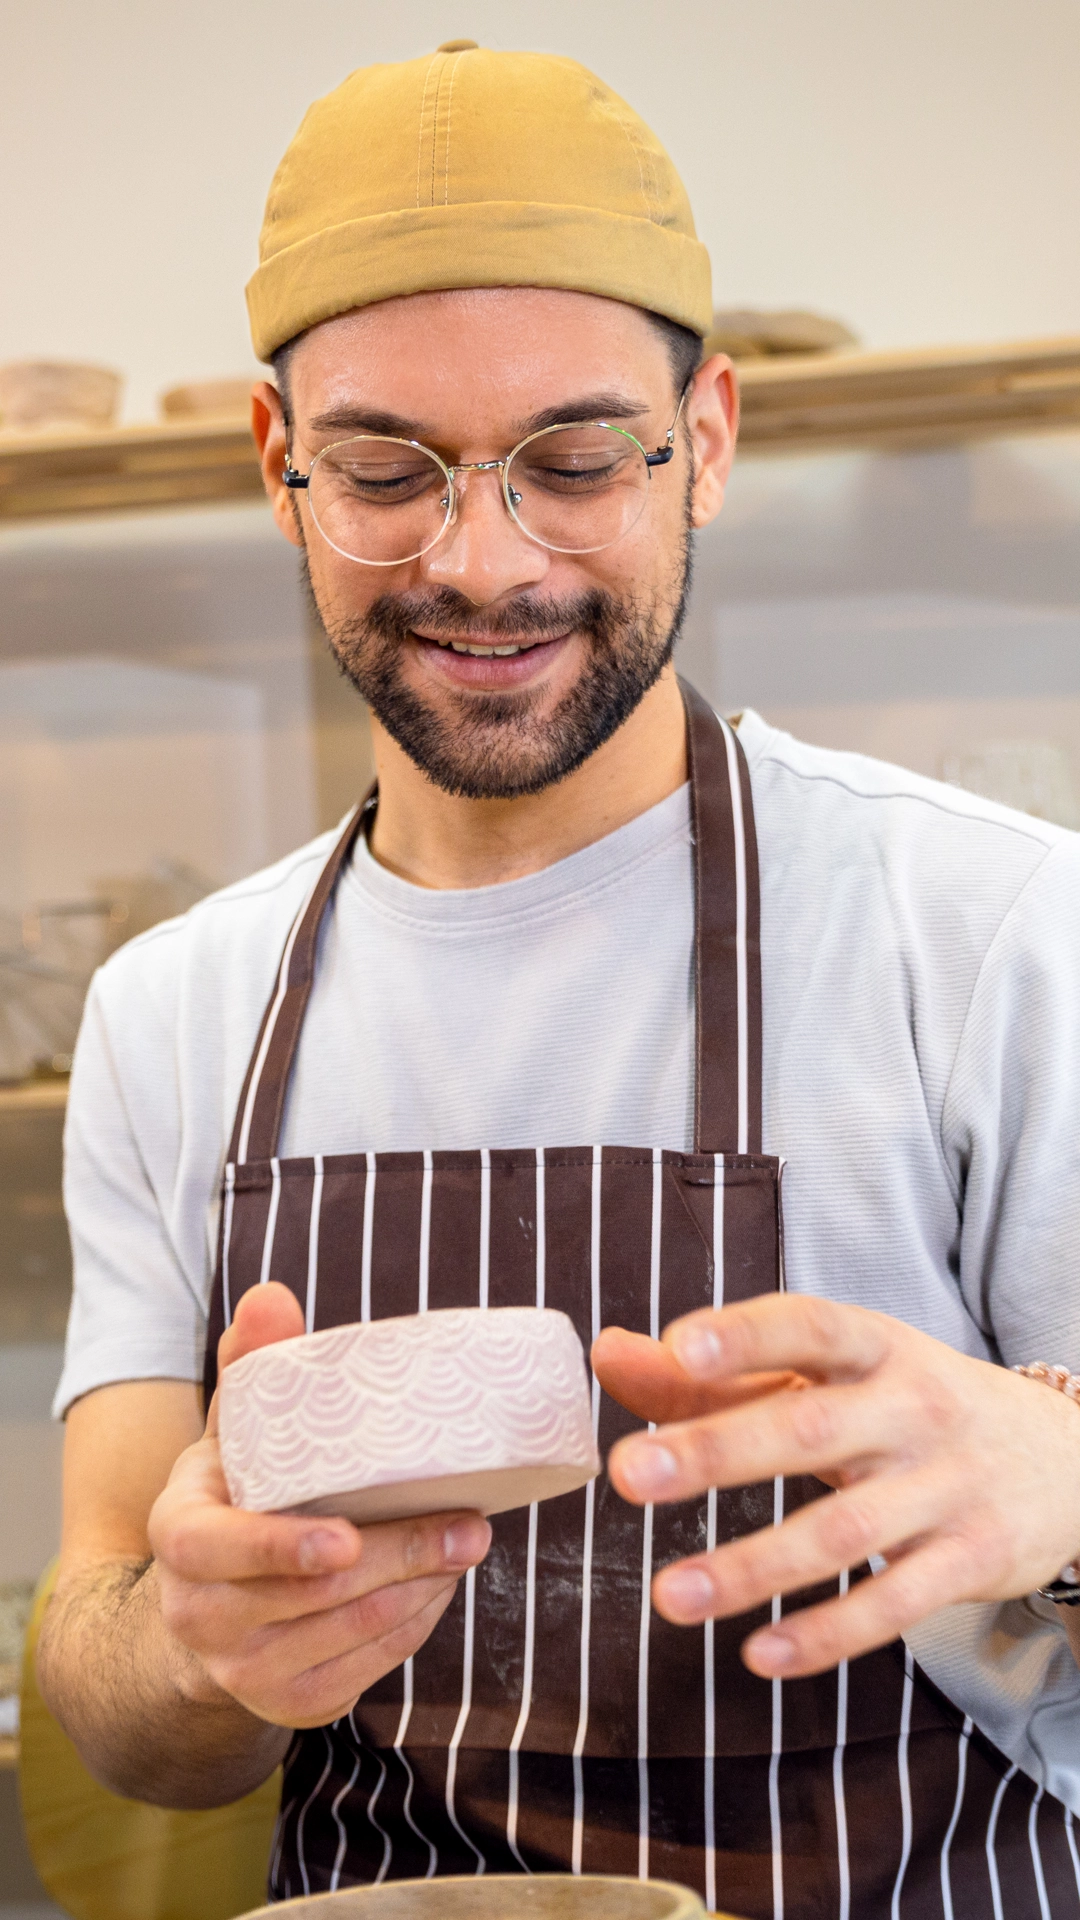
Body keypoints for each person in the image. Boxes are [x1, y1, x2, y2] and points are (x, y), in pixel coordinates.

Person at [36, 40, 1080, 1920]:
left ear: (716, 439)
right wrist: (193, 1652)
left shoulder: (991, 934)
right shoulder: (176, 1009)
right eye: (382, 470)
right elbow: (111, 1698)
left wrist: (1066, 1482)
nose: (483, 561)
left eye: (579, 463)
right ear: (279, 467)